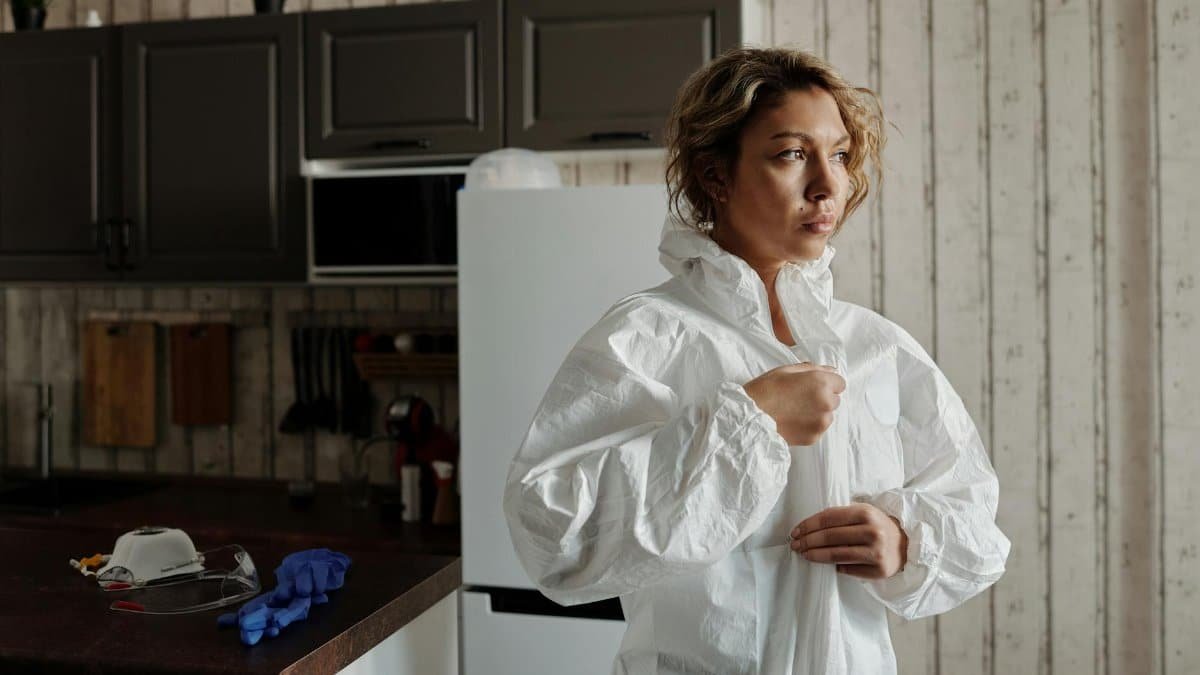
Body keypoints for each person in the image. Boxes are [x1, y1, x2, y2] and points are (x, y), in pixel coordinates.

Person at [503, 47, 1011, 675]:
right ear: (716, 176)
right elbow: (554, 539)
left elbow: (978, 526)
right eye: (792, 154)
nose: (828, 184)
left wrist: (906, 543)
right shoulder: (645, 336)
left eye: (841, 155)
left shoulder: (877, 347)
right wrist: (748, 421)